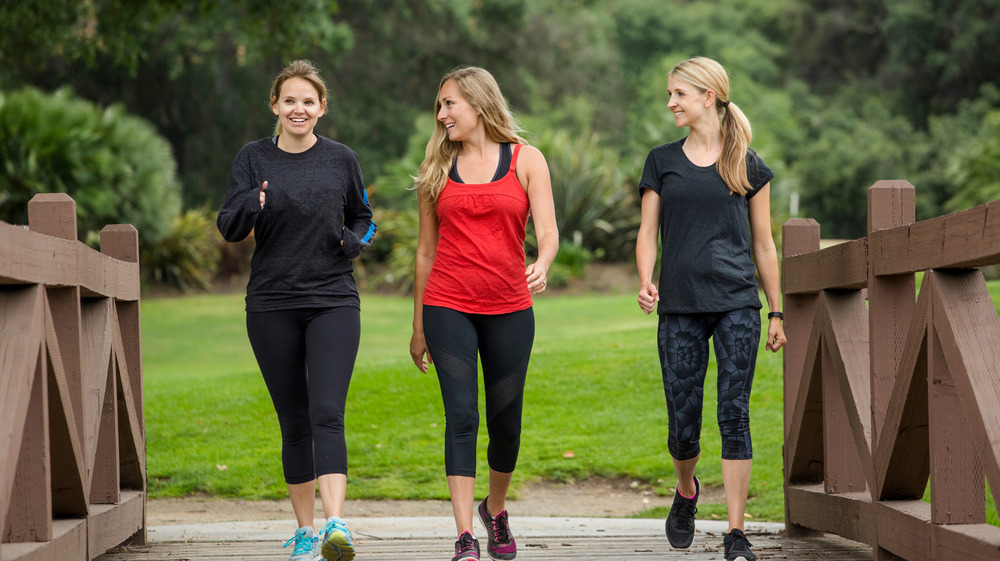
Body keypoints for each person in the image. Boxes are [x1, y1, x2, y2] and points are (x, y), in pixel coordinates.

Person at [217, 59, 376, 561]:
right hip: (271, 304)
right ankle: (305, 531)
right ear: (275, 106)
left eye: (308, 101)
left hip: (332, 300)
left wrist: (351, 242)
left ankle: (336, 525)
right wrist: (253, 205)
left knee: (328, 412)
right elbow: (228, 226)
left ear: (322, 107)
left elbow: (365, 218)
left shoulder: (342, 159)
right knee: (294, 421)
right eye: (290, 100)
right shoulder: (252, 159)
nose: (299, 108)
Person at [635, 56, 786, 561]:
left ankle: (735, 532)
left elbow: (764, 245)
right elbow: (647, 232)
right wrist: (645, 280)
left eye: (679, 93)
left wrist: (776, 311)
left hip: (737, 304)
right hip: (679, 306)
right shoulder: (661, 160)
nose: (671, 102)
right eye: (671, 93)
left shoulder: (749, 165)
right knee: (683, 423)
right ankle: (686, 491)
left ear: (708, 96)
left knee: (734, 413)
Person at [408, 66, 558, 561]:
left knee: (506, 422)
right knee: (462, 416)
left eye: (450, 103)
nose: (442, 114)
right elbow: (425, 251)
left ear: (478, 103)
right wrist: (418, 327)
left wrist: (544, 261)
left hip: (510, 307)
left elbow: (549, 230)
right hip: (448, 304)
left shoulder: (526, 159)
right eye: (440, 105)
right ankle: (464, 537)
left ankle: (493, 510)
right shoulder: (436, 164)